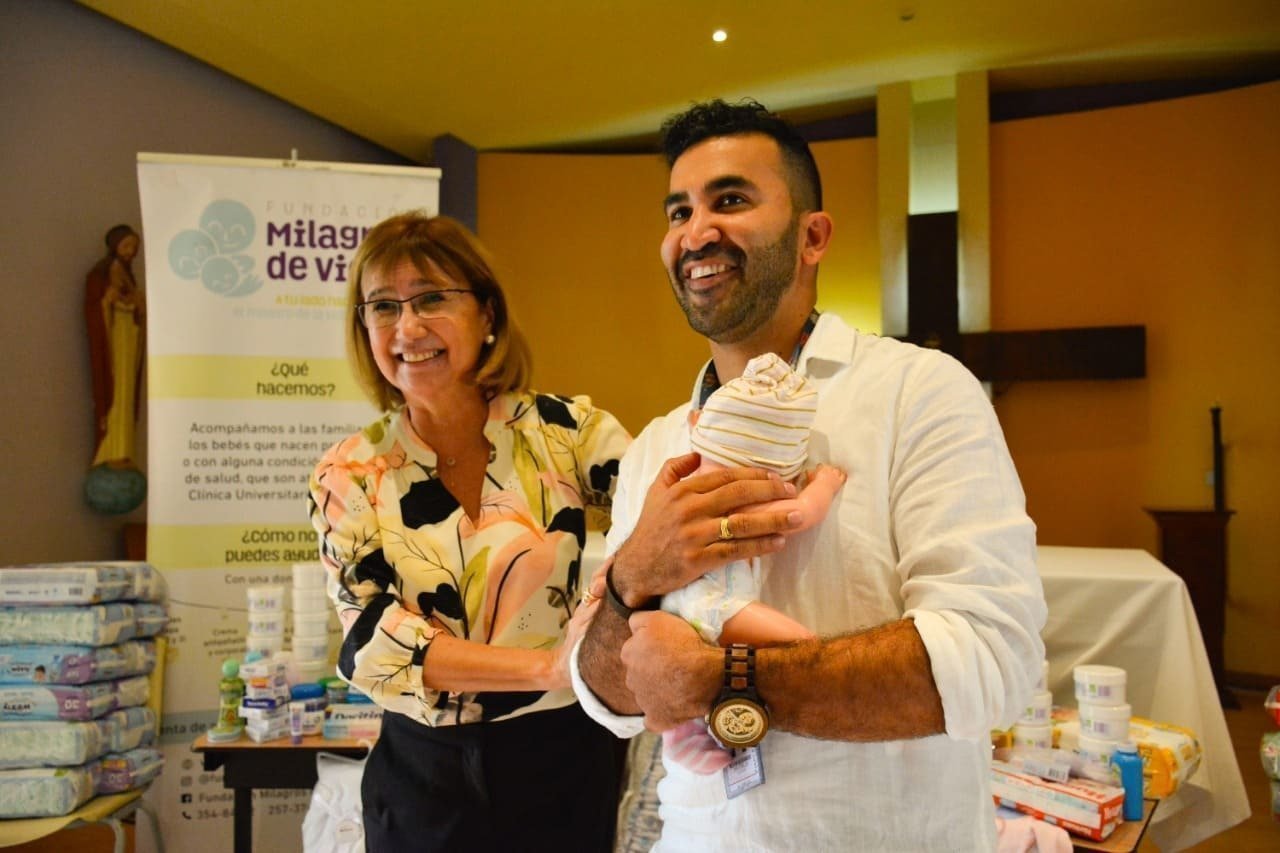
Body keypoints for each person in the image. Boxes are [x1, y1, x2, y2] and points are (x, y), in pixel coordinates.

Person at [573, 99, 1047, 850]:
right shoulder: (655, 447)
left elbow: (988, 659)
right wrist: (634, 572)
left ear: (812, 235)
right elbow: (609, 697)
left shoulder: (917, 391)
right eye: (678, 211)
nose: (696, 232)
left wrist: (723, 678)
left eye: (730, 200)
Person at [308, 212, 631, 851]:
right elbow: (372, 645)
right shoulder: (350, 472)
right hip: (424, 774)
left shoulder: (567, 433)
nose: (407, 327)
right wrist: (549, 666)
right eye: (383, 306)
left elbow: (658, 519)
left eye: (431, 298)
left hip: (564, 761)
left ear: (486, 314)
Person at [657, 352, 843, 773]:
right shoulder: (734, 506)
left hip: (681, 606)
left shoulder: (685, 491)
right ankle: (692, 735)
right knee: (807, 648)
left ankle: (686, 733)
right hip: (715, 607)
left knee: (701, 671)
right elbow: (799, 516)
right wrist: (825, 485)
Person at [85, 224, 145, 467]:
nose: (130, 251)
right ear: (115, 245)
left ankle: (125, 450)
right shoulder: (102, 273)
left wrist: (137, 304)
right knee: (117, 393)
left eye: (134, 247)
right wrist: (111, 302)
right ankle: (111, 450)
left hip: (128, 338)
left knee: (126, 392)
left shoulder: (127, 274)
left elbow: (132, 301)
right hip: (115, 340)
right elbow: (100, 303)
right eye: (126, 245)